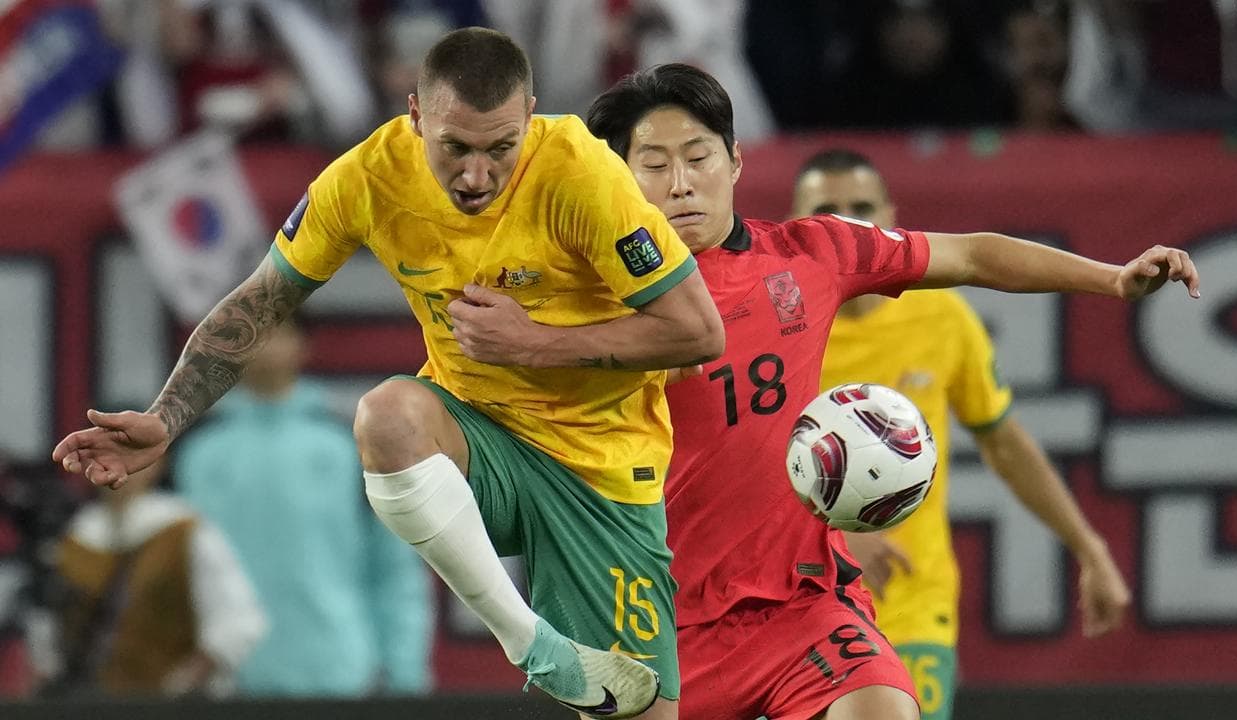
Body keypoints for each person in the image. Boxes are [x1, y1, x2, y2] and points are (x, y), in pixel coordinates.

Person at [53, 27, 725, 720]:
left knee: (639, 715)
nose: (475, 176)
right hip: (479, 447)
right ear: (414, 115)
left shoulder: (583, 175)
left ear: (531, 114)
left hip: (602, 472)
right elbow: (260, 301)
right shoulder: (366, 178)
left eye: (501, 148)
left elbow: (698, 332)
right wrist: (167, 418)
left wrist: (533, 343)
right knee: (387, 416)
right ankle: (532, 644)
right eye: (454, 148)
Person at [585, 63, 1197, 720]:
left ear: (734, 162)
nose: (680, 184)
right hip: (659, 622)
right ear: (623, 178)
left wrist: (1113, 279)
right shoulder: (588, 302)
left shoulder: (810, 256)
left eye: (698, 157)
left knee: (883, 709)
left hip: (804, 608)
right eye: (653, 164)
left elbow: (975, 255)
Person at [794, 149, 1132, 720]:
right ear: (797, 221)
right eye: (827, 208)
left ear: (890, 216)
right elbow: (734, 463)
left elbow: (1004, 442)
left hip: (913, 603)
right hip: (797, 602)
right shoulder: (780, 322)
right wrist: (833, 536)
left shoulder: (943, 320)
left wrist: (1089, 546)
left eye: (862, 206)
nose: (848, 220)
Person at [172, 319, 434, 697]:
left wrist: (406, 677)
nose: (262, 345)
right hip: (221, 682)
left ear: (303, 345)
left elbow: (393, 568)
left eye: (277, 331)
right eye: (246, 335)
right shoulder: (194, 451)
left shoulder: (349, 444)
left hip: (337, 676)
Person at [42, 459, 264, 697]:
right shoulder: (75, 539)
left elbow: (238, 619)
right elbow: (49, 636)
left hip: (172, 705)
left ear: (156, 464)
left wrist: (185, 682)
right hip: (91, 702)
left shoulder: (183, 532)